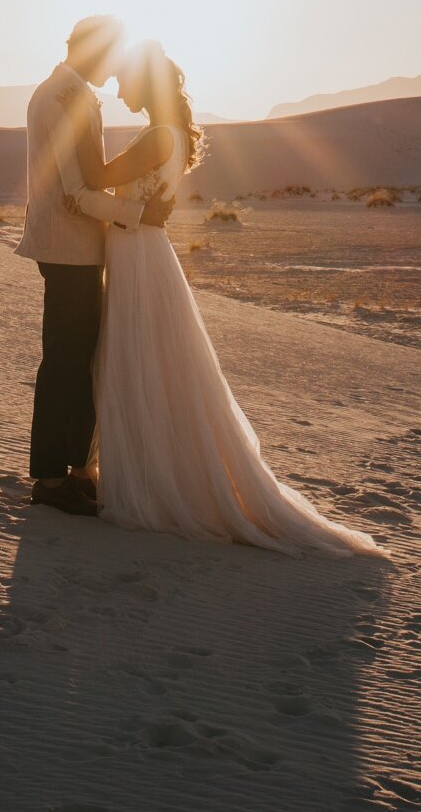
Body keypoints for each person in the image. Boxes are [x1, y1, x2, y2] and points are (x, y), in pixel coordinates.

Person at [92, 40, 381, 557]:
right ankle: (143, 469)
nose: (118, 89)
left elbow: (100, 178)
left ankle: (154, 483)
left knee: (141, 361)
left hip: (139, 254)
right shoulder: (168, 134)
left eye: (124, 80)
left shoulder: (158, 136)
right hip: (142, 250)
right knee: (147, 362)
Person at [16, 16, 175, 515]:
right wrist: (138, 214)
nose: (117, 63)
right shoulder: (59, 98)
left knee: (81, 359)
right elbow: (77, 192)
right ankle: (47, 476)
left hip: (84, 246)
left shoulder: (74, 94)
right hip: (67, 247)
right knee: (63, 360)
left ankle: (73, 469)